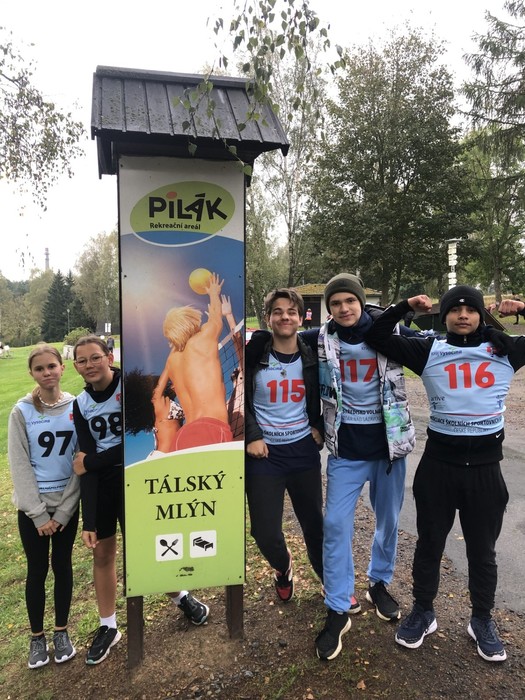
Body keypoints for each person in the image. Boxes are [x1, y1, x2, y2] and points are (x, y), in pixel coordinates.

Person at [364, 285, 525, 662]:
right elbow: (376, 336)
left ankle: (481, 620)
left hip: (485, 471)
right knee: (429, 544)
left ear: (481, 315)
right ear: (445, 316)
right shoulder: (429, 350)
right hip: (438, 468)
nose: (463, 315)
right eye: (455, 309)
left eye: (471, 309)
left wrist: (522, 308)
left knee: (482, 552)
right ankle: (424, 611)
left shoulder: (505, 350)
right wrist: (405, 307)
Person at [73, 336, 209, 666]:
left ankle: (181, 596)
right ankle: (108, 626)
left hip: (138, 474)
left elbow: (107, 453)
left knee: (150, 545)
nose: (90, 365)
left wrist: (93, 461)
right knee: (103, 554)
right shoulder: (81, 403)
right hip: (104, 485)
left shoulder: (133, 384)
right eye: (82, 360)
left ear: (109, 357)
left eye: (95, 357)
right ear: (75, 366)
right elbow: (82, 462)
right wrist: (88, 519)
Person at [302, 274, 417, 661]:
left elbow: (437, 347)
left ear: (360, 301)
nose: (344, 308)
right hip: (346, 452)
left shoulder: (391, 331)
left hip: (388, 449)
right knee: (335, 524)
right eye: (336, 303)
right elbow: (280, 342)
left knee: (389, 520)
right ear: (329, 308)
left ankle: (378, 583)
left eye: (349, 300)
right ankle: (338, 607)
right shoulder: (321, 338)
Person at [245, 288, 325, 602]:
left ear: (301, 317)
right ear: (268, 318)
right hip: (265, 455)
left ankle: (330, 583)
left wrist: (318, 425)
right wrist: (252, 434)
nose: (285, 317)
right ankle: (282, 566)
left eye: (291, 311)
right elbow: (237, 396)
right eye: (277, 311)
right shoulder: (254, 355)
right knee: (264, 533)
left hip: (302, 451)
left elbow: (333, 393)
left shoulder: (312, 354)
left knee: (315, 526)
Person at [8, 345, 80, 669]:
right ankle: (37, 637)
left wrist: (64, 511)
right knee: (37, 570)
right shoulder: (21, 411)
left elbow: (80, 461)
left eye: (52, 366)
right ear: (32, 373)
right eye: (40, 368)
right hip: (33, 510)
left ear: (62, 367)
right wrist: (38, 514)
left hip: (66, 506)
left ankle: (61, 631)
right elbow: (19, 465)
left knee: (62, 566)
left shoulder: (77, 407)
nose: (47, 372)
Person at [162, 272, 233, 449]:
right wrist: (213, 292)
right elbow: (216, 318)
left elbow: (176, 343)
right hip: (211, 429)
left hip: (182, 436)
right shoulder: (202, 339)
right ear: (190, 320)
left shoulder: (171, 361)